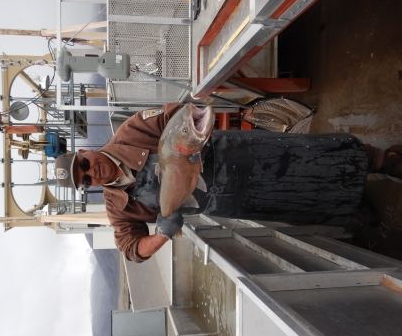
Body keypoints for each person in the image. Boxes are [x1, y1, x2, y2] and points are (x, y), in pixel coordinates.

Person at [55, 103, 402, 263]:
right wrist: (161, 233)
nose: (91, 173)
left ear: (84, 150)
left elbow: (180, 114)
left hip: (242, 154)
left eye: (83, 164)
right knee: (296, 201)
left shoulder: (132, 130)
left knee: (308, 155)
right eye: (84, 181)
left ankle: (380, 161)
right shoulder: (118, 207)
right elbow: (131, 250)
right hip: (234, 199)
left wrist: (189, 126)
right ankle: (351, 203)